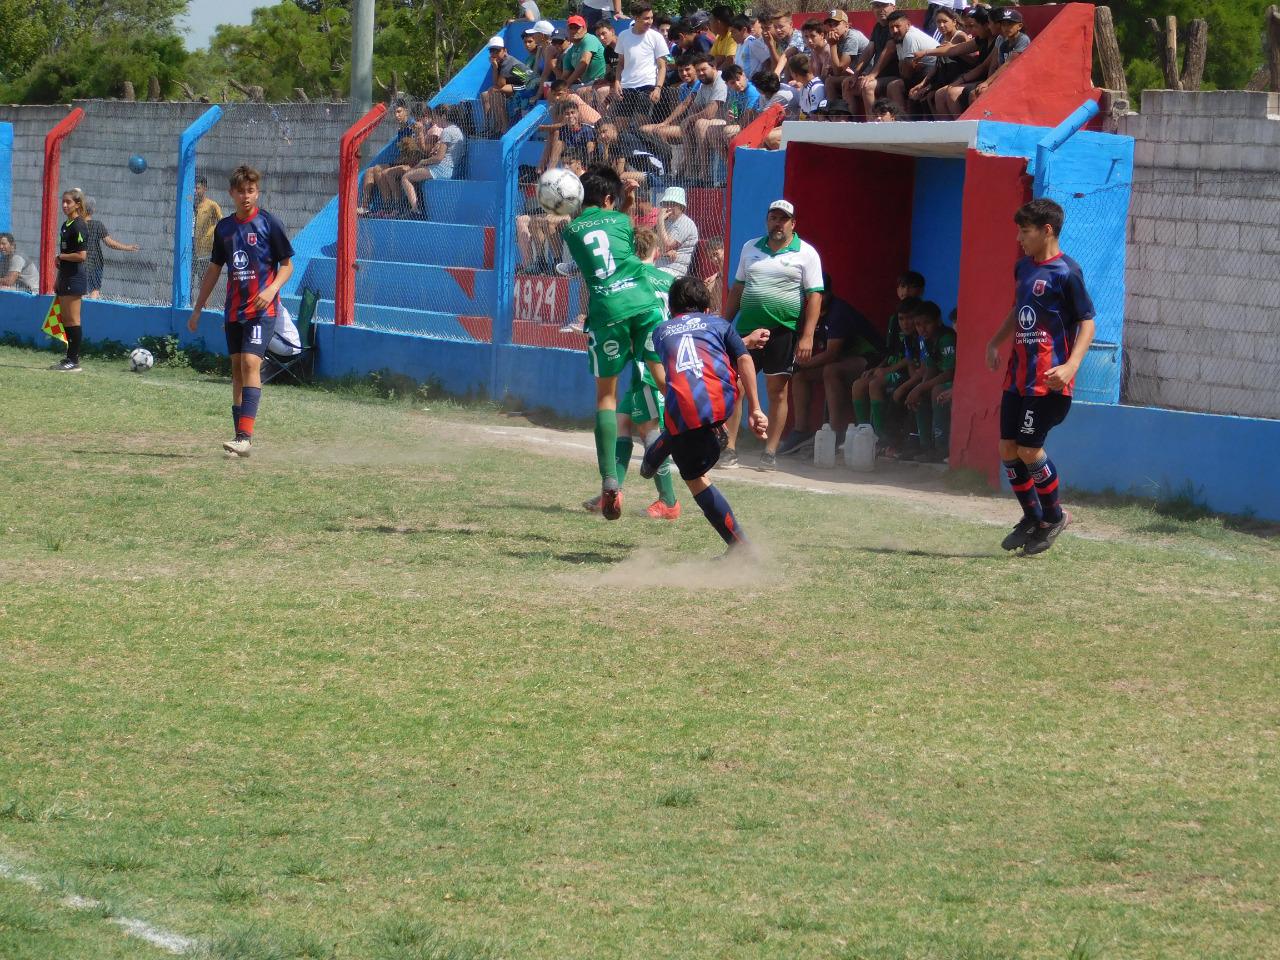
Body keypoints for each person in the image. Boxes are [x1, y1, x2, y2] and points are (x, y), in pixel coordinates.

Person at [987, 198, 1095, 556]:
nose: (1019, 238)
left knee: (1029, 449)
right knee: (1007, 448)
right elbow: (1019, 310)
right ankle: (1032, 517)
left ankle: (1054, 516)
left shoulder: (1067, 272)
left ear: (1047, 230)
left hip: (1048, 381)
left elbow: (1087, 322)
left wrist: (1070, 367)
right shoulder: (1023, 269)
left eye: (1025, 230)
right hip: (1018, 376)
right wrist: (995, 342)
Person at [560, 163, 668, 519]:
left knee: (607, 397)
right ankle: (705, 425)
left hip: (606, 311)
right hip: (642, 304)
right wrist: (631, 199)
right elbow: (619, 227)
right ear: (609, 198)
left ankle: (609, 481)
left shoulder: (572, 230)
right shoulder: (622, 221)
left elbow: (598, 230)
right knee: (663, 381)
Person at [639, 275, 769, 553]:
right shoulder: (720, 324)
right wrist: (756, 409)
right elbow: (739, 356)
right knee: (689, 445)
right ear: (707, 309)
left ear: (672, 310)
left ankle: (740, 547)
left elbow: (686, 356)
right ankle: (740, 547)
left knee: (691, 470)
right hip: (723, 404)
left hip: (687, 414)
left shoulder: (660, 332)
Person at [187, 165, 295, 458]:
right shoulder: (224, 228)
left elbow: (287, 265)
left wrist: (271, 289)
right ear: (232, 193)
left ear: (257, 193)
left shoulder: (269, 224)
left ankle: (246, 437)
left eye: (252, 191)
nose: (246, 196)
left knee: (250, 362)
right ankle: (239, 438)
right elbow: (213, 269)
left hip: (263, 310)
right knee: (237, 371)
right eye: (241, 191)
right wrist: (198, 308)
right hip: (234, 311)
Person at [582, 227, 682, 520]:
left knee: (648, 427)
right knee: (623, 421)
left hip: (648, 362)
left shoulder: (628, 280)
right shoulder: (670, 279)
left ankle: (669, 501)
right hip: (659, 356)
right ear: (657, 252)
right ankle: (612, 493)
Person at [722, 199, 823, 471]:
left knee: (777, 391)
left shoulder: (806, 253)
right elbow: (738, 288)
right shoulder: (750, 248)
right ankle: (729, 448)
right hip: (747, 331)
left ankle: (769, 452)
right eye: (773, 217)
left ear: (793, 223)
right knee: (736, 388)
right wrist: (723, 325)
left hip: (783, 332)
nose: (777, 223)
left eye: (783, 218)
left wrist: (807, 336)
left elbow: (814, 295)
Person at [778, 276, 880, 456]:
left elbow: (832, 354)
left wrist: (800, 365)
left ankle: (835, 433)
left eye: (819, 294)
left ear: (828, 293)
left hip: (870, 359)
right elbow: (802, 343)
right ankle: (801, 431)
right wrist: (796, 365)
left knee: (830, 370)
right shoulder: (810, 311)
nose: (813, 298)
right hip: (844, 359)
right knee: (800, 376)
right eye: (809, 294)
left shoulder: (838, 312)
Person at [852, 271, 924, 437]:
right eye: (901, 286)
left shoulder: (921, 318)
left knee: (875, 384)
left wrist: (887, 371)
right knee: (858, 385)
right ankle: (863, 433)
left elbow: (912, 356)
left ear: (920, 291)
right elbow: (890, 350)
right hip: (894, 366)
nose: (904, 291)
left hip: (910, 370)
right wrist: (879, 367)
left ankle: (880, 436)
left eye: (910, 287)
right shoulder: (895, 319)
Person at [903, 300, 955, 462]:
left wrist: (921, 388)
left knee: (936, 391)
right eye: (918, 324)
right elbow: (931, 368)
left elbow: (949, 373)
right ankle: (925, 446)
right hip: (941, 380)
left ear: (938, 321)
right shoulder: (925, 340)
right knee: (921, 394)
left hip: (956, 382)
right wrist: (919, 389)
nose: (922, 328)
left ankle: (941, 448)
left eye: (927, 323)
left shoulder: (946, 337)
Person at [611, 3, 669, 133]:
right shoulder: (623, 36)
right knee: (620, 128)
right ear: (636, 18)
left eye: (651, 18)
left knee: (641, 127)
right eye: (646, 18)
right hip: (626, 87)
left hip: (647, 87)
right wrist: (617, 82)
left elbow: (662, 66)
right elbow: (620, 63)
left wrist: (658, 88)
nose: (650, 21)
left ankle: (644, 153)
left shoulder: (656, 37)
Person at [50, 188, 89, 372]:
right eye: (63, 201)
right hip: (65, 277)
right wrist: (58, 278)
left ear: (78, 204)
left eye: (69, 202)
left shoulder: (79, 225)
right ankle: (68, 358)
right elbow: (65, 254)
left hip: (75, 278)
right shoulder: (66, 225)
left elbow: (82, 256)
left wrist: (62, 257)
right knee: (65, 319)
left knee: (73, 319)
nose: (64, 205)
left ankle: (74, 361)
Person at [400, 104, 466, 214]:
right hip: (451, 168)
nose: (434, 120)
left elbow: (439, 158)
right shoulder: (458, 131)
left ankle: (415, 209)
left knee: (405, 177)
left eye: (435, 117)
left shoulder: (447, 132)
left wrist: (424, 161)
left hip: (441, 169)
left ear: (443, 117)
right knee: (413, 171)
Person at [358, 100, 420, 215]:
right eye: (395, 113)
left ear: (406, 111)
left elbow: (413, 154)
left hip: (412, 163)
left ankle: (394, 206)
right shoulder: (401, 129)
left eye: (399, 112)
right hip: (403, 160)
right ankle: (365, 206)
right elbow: (404, 152)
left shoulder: (412, 127)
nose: (397, 115)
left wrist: (399, 161)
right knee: (369, 172)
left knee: (380, 169)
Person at [846, 0, 900, 120]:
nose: (880, 9)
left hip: (896, 75)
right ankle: (849, 125)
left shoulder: (895, 25)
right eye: (876, 6)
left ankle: (872, 124)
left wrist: (872, 75)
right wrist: (856, 74)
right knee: (848, 84)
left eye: (884, 5)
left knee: (867, 85)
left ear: (893, 7)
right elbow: (869, 50)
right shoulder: (878, 27)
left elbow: (888, 51)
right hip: (881, 76)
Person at [82, 197, 140, 299]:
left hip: (80, 262)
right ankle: (91, 311)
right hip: (95, 263)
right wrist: (128, 247)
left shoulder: (78, 226)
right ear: (93, 210)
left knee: (81, 291)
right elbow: (109, 243)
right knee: (95, 290)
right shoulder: (97, 225)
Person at [883, 10, 937, 116]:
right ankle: (900, 122)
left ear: (908, 25)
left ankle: (905, 122)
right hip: (920, 73)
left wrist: (908, 66)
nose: (894, 30)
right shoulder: (898, 40)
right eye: (891, 27)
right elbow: (904, 70)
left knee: (900, 88)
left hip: (933, 72)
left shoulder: (910, 37)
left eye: (898, 26)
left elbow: (907, 71)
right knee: (893, 86)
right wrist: (908, 66)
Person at [481, 35, 533, 136]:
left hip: (528, 86)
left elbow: (499, 85)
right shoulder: (498, 62)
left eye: (497, 51)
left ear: (504, 50)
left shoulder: (508, 62)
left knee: (495, 91)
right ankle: (490, 126)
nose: (494, 54)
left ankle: (504, 128)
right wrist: (495, 67)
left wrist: (495, 68)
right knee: (485, 95)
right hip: (515, 85)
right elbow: (496, 83)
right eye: (492, 51)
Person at [823, 10, 870, 104]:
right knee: (829, 81)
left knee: (846, 83)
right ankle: (834, 114)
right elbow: (837, 69)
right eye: (830, 25)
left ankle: (848, 117)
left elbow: (838, 70)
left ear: (847, 26)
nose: (832, 28)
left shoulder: (851, 37)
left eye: (836, 24)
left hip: (869, 75)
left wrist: (832, 45)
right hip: (857, 74)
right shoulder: (838, 38)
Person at [653, 186, 698, 276]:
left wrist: (660, 221)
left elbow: (667, 245)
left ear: (681, 207)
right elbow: (650, 243)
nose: (668, 208)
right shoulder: (667, 221)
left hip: (674, 270)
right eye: (666, 204)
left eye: (672, 204)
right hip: (659, 266)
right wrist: (664, 253)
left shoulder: (686, 223)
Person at [708, 5, 738, 69]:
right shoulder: (719, 37)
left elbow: (730, 61)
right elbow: (710, 58)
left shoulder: (732, 36)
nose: (709, 23)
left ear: (718, 22)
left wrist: (716, 73)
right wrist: (721, 58)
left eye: (710, 19)